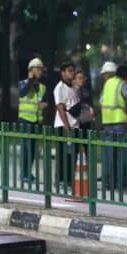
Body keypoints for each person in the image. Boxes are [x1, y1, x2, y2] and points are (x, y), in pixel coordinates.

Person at [99, 61, 127, 190]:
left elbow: (101, 102)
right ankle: (120, 182)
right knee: (121, 154)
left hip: (107, 123)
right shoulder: (122, 83)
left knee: (108, 154)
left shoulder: (106, 85)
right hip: (120, 122)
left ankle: (108, 182)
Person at [17, 57, 47, 183]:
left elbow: (39, 101)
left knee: (33, 148)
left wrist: (43, 106)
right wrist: (30, 80)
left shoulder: (42, 87)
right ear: (31, 70)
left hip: (36, 121)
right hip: (25, 119)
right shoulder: (23, 83)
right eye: (37, 69)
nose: (40, 71)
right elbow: (22, 93)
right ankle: (24, 174)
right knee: (26, 147)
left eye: (41, 69)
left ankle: (28, 172)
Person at [53, 62, 79, 192]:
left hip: (74, 125)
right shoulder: (60, 88)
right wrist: (67, 127)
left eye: (73, 70)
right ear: (62, 72)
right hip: (64, 126)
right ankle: (60, 180)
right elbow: (60, 108)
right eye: (69, 70)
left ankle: (69, 179)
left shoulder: (73, 88)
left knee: (72, 155)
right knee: (63, 154)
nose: (72, 73)